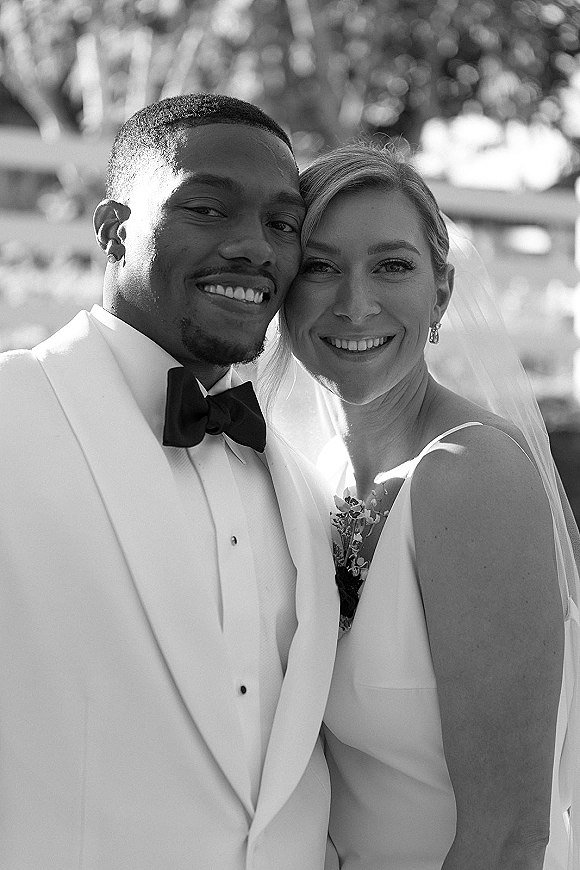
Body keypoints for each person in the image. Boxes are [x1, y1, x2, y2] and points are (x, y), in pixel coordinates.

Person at [0, 93, 340, 869]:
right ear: (113, 230)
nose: (256, 248)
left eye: (282, 223)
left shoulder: (303, 477)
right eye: (208, 209)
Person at [262, 141, 580, 870]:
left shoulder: (471, 476)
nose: (355, 302)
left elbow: (507, 840)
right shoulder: (312, 468)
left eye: (392, 265)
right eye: (320, 266)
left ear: (441, 292)